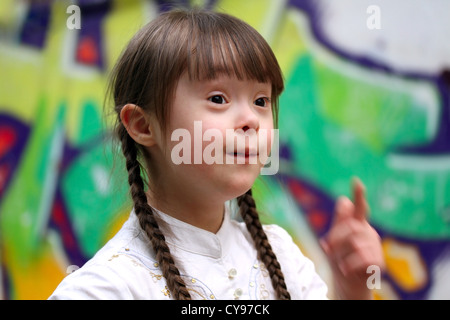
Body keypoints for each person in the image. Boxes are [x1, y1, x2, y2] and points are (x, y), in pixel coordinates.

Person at [48, 8, 384, 300]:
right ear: (142, 125)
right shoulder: (106, 289)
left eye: (261, 101)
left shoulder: (283, 257)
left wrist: (354, 290)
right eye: (219, 99)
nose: (251, 120)